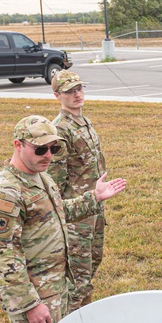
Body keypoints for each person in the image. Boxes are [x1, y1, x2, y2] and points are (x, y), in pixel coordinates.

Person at [0, 115, 126, 323]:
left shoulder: (39, 177)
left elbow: (56, 214)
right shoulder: (6, 194)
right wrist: (30, 305)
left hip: (56, 286)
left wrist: (92, 198)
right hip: (35, 293)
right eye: (40, 149)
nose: (48, 156)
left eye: (54, 149)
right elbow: (4, 258)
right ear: (18, 145)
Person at [47, 70, 106, 310]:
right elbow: (55, 180)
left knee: (93, 261)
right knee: (78, 276)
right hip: (76, 212)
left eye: (79, 89)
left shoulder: (82, 121)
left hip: (94, 205)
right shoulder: (59, 130)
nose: (77, 94)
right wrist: (62, 217)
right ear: (57, 95)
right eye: (70, 91)